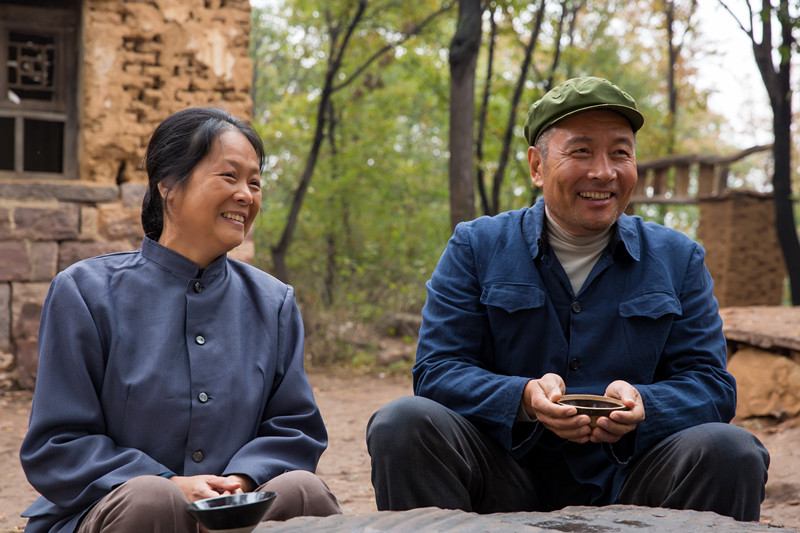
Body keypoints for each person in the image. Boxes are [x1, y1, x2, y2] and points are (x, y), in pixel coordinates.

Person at [367, 77, 769, 521]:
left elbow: (711, 386)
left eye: (621, 153)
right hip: (504, 477)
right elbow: (437, 372)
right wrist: (521, 398)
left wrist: (645, 405)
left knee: (732, 449)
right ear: (537, 166)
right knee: (402, 423)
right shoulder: (475, 247)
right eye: (581, 151)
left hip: (636, 481)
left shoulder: (679, 259)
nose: (604, 172)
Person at [20, 107, 341, 533]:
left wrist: (243, 480)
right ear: (168, 185)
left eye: (255, 182)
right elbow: (57, 444)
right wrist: (172, 483)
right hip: (119, 509)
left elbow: (294, 427)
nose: (246, 194)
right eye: (229, 177)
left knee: (305, 490)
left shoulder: (274, 302)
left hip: (235, 513)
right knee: (152, 497)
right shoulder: (85, 292)